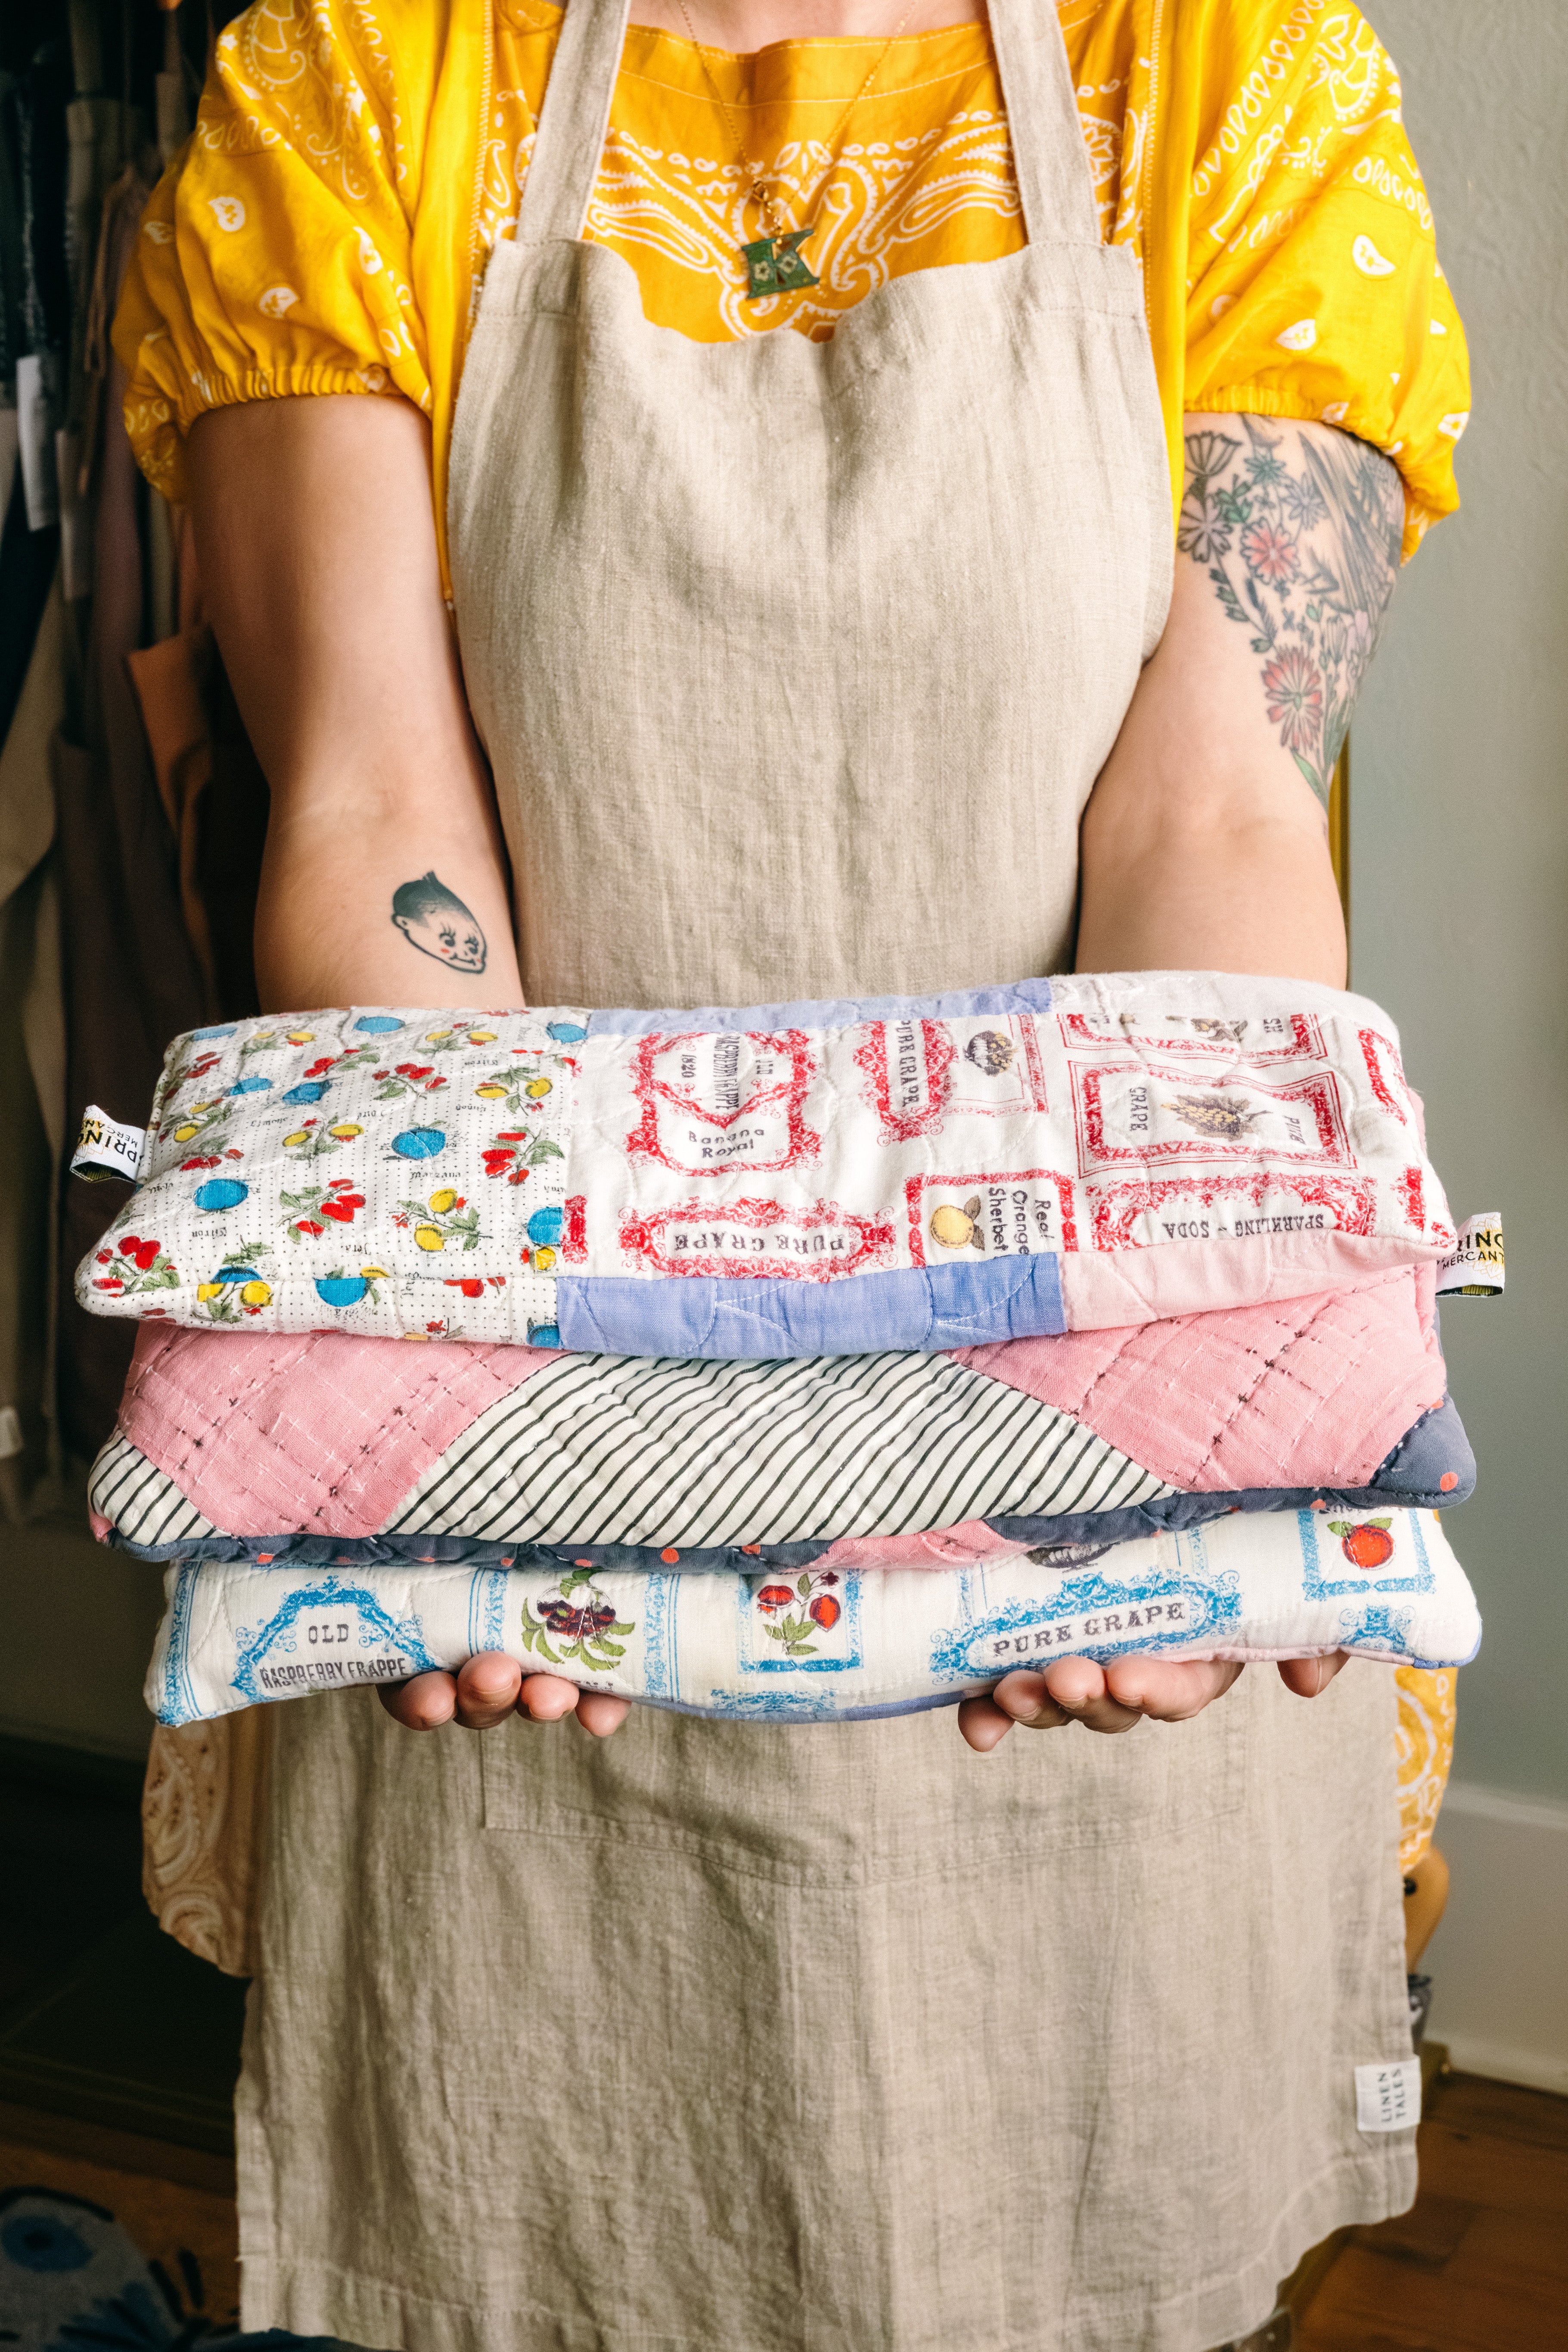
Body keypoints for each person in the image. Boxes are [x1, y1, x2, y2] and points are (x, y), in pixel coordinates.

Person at [118, 0, 1469, 2344]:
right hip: (536, 1557)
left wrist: (1141, 1492)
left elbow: (1213, 814)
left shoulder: (1231, 65)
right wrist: (484, 1464)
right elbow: (375, 824)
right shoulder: (353, 71)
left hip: (1093, 1510)